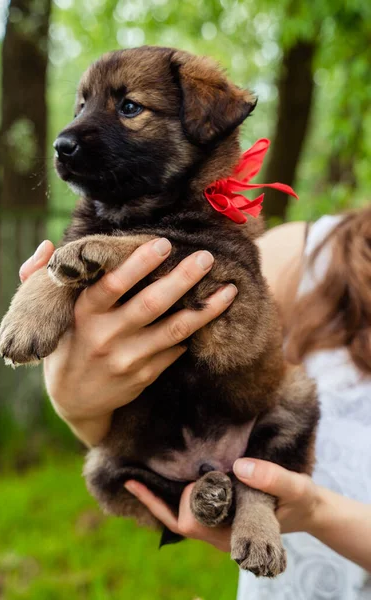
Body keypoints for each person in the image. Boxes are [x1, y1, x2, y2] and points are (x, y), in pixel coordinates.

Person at [20, 208, 371, 595]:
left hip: (260, 488)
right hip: (181, 439)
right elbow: (209, 346)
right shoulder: (308, 252)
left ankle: (241, 497)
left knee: (297, 398)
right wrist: (76, 401)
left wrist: (318, 512)